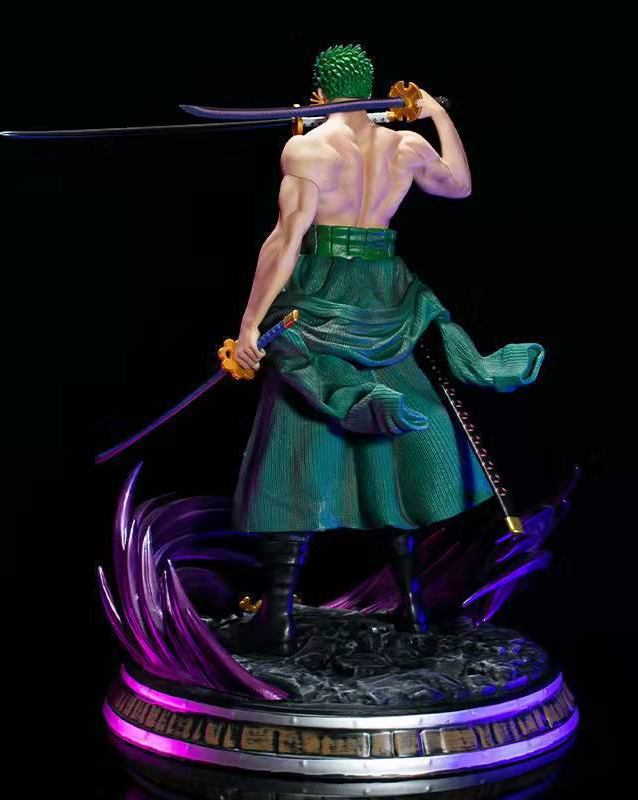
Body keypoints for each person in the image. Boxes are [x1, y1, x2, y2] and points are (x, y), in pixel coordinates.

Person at [231, 45, 544, 654]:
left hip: (323, 290)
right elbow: (458, 185)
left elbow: (287, 238)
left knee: (296, 446)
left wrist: (248, 326)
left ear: (319, 94)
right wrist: (435, 116)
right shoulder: (405, 145)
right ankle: (413, 606)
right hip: (385, 294)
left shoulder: (307, 149)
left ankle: (280, 618)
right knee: (391, 447)